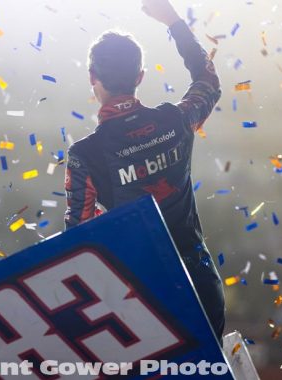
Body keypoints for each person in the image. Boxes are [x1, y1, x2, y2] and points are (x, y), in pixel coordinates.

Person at [64, 0, 225, 343]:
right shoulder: (176, 120)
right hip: (203, 291)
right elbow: (208, 82)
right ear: (139, 78)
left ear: (92, 78)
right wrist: (172, 21)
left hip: (142, 306)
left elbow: (78, 240)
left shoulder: (84, 156)